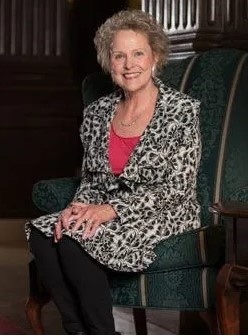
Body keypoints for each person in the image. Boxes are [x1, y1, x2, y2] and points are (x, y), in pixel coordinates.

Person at [25, 9, 201, 335]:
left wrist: (110, 210)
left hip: (163, 213)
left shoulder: (181, 111)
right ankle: (78, 330)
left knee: (76, 238)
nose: (129, 64)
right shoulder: (97, 112)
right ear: (109, 62)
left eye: (138, 53)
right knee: (46, 231)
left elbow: (177, 188)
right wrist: (79, 208)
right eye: (119, 55)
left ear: (155, 57)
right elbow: (92, 180)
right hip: (107, 208)